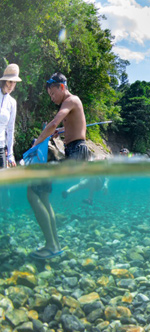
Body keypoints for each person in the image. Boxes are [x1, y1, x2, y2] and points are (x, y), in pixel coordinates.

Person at [27, 72, 90, 260]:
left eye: (52, 93)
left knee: (33, 192)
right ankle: (55, 245)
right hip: (75, 152)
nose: (52, 98)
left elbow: (54, 122)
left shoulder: (70, 101)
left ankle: (51, 245)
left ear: (61, 87)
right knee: (43, 194)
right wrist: (60, 131)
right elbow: (67, 127)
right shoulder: (72, 102)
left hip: (76, 153)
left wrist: (37, 143)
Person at [0, 64, 22, 168]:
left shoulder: (12, 102)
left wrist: (10, 154)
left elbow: (10, 129)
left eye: (14, 82)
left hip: (1, 147)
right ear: (4, 81)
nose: (11, 85)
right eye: (10, 81)